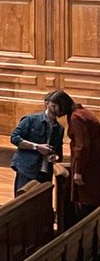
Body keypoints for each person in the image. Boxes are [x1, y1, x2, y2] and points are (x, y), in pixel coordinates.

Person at [47, 89, 100, 221]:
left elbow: (82, 146)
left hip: (89, 167)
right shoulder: (82, 112)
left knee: (87, 203)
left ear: (62, 104)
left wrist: (78, 171)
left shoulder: (76, 117)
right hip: (93, 163)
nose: (53, 110)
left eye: (54, 106)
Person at [10, 101, 64, 195]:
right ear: (47, 103)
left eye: (58, 106)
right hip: (27, 169)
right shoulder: (31, 119)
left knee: (42, 202)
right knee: (22, 200)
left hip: (45, 173)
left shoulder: (59, 128)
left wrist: (54, 156)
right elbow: (14, 138)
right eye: (54, 105)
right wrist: (36, 147)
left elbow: (58, 152)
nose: (56, 108)